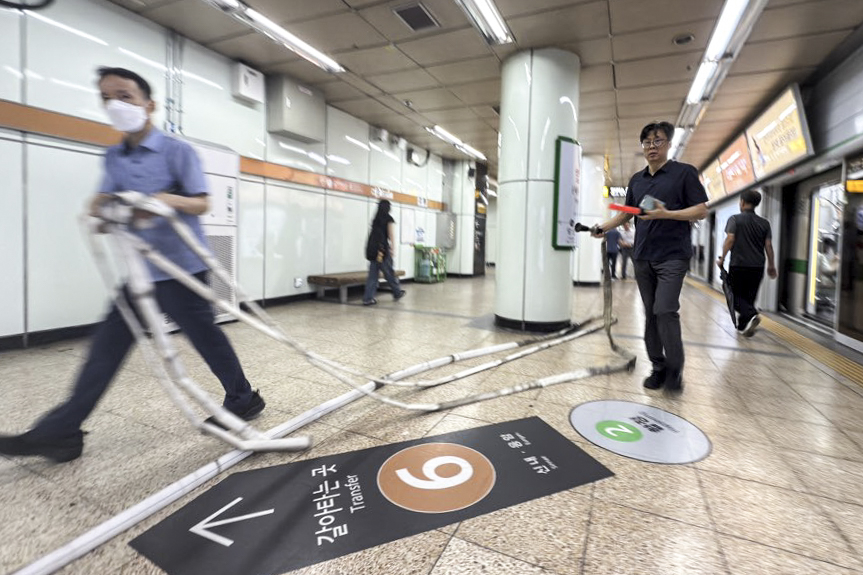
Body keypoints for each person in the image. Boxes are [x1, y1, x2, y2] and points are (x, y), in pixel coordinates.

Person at [0, 67, 264, 463]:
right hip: (139, 274)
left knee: (205, 337)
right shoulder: (114, 156)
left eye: (125, 95)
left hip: (181, 268)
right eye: (108, 98)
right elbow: (103, 199)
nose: (116, 105)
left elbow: (201, 201)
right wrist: (101, 212)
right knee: (105, 349)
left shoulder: (178, 151)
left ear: (149, 104)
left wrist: (160, 201)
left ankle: (243, 398)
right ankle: (61, 432)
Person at [593, 121, 708, 393]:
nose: (651, 147)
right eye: (646, 142)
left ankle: (675, 369)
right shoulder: (637, 179)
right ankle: (658, 366)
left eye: (657, 141)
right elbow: (627, 213)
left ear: (668, 143)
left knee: (665, 310)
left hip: (672, 256)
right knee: (651, 314)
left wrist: (666, 214)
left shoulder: (684, 174)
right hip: (642, 256)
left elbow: (701, 210)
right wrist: (603, 228)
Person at [717, 190, 777, 336]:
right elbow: (768, 245)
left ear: (742, 202)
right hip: (757, 267)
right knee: (749, 298)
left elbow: (730, 239)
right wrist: (771, 265)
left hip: (738, 265)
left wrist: (722, 258)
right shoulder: (764, 223)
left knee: (735, 297)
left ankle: (752, 315)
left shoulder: (734, 219)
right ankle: (742, 326)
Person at [363, 200, 406, 306]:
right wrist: (393, 248)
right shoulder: (388, 219)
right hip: (382, 251)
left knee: (373, 275)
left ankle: (368, 298)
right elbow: (391, 235)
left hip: (373, 251)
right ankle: (397, 292)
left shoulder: (375, 220)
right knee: (389, 273)